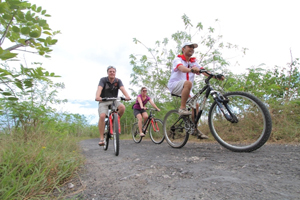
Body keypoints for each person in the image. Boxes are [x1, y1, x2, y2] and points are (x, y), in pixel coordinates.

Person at [167, 42, 224, 139]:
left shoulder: (193, 62)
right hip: (175, 85)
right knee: (188, 83)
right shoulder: (178, 59)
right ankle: (182, 108)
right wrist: (191, 70)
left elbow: (204, 71)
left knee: (195, 105)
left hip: (186, 88)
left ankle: (195, 129)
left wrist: (215, 76)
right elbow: (181, 68)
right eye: (190, 46)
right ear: (183, 49)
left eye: (193, 47)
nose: (192, 48)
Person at [95, 66, 131, 146]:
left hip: (114, 100)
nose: (112, 73)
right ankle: (101, 138)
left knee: (122, 107)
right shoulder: (103, 80)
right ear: (107, 73)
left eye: (113, 71)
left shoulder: (118, 81)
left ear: (115, 73)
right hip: (103, 100)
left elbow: (122, 88)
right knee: (102, 116)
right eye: (110, 71)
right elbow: (99, 89)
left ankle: (115, 122)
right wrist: (98, 97)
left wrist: (127, 96)